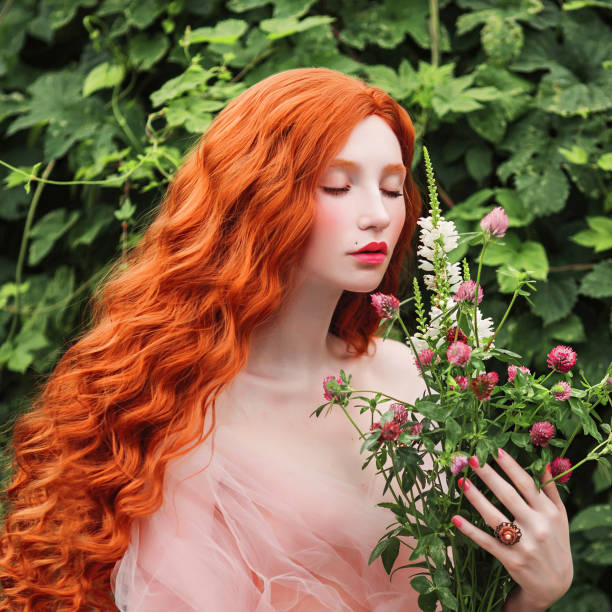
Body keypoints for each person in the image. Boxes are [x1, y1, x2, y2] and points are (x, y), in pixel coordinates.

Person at [0, 68, 572, 611]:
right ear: (256, 196)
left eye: (394, 189)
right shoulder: (180, 415)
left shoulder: (413, 376)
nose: (376, 214)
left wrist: (534, 594)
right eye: (337, 185)